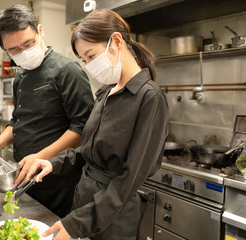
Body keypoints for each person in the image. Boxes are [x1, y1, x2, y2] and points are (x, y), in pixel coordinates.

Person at [25, 9, 169, 240]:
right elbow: (89, 151)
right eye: (84, 60)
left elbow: (129, 179)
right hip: (84, 198)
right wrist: (53, 163)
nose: (88, 65)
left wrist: (77, 223)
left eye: (91, 56)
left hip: (113, 215)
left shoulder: (149, 98)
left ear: (116, 41)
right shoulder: (106, 92)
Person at [0, 5, 94, 218]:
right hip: (26, 179)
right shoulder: (20, 77)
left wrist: (40, 158)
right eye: (14, 50)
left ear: (40, 31)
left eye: (28, 44)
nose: (23, 52)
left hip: (60, 181)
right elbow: (18, 120)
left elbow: (83, 129)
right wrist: (1, 141)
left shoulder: (68, 71)